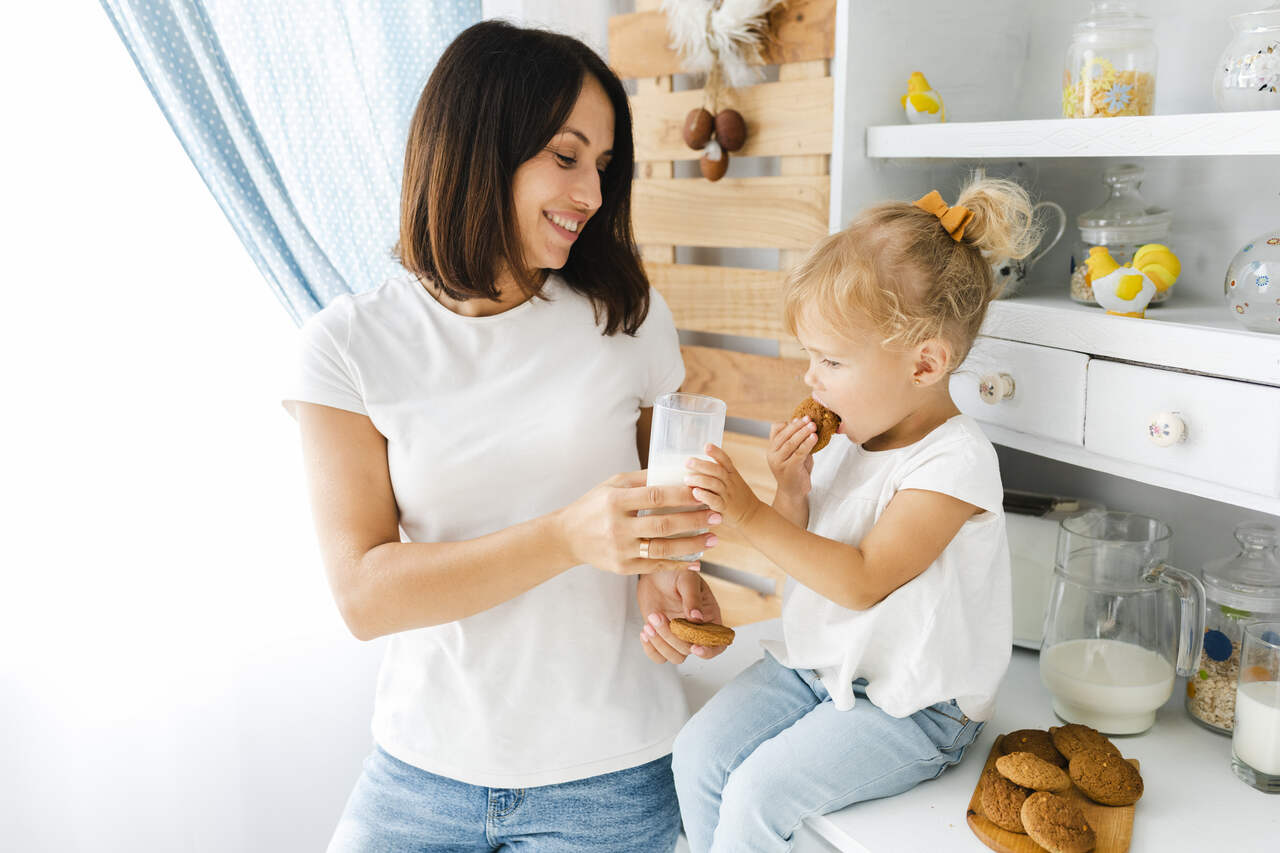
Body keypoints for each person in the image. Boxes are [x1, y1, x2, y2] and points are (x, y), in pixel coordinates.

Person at [284, 20, 726, 852]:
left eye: (602, 165)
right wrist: (566, 535)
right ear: (478, 145)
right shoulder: (348, 345)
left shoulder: (628, 320)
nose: (593, 194)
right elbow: (365, 594)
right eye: (565, 155)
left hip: (610, 774)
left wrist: (668, 573)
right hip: (420, 770)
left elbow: (661, 510)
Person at [668, 178, 1042, 852]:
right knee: (696, 751)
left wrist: (752, 515)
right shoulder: (857, 433)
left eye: (832, 360)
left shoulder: (954, 462)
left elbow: (865, 577)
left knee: (759, 792)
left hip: (912, 705)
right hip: (819, 665)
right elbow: (807, 561)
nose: (812, 379)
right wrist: (790, 492)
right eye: (812, 356)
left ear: (925, 362)